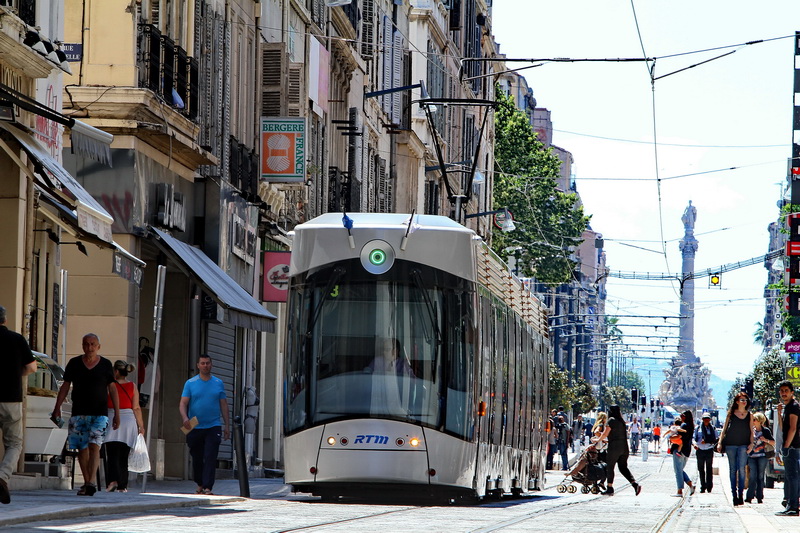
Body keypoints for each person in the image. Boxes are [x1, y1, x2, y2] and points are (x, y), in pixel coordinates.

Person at [53, 333, 120, 496]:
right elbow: (65, 386)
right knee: (81, 448)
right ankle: (87, 482)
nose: (89, 347)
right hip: (79, 412)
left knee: (94, 446)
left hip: (100, 413)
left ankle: (89, 483)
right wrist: (57, 407)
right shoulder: (74, 363)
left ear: (98, 347)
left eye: (92, 344)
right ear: (82, 346)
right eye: (86, 344)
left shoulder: (105, 364)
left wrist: (117, 413)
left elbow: (112, 389)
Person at [0, 305, 38, 504]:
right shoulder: (16, 339)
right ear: (5, 320)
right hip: (11, 398)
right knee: (14, 443)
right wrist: (17, 373)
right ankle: (3, 476)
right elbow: (32, 367)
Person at [179, 354, 230, 495]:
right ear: (198, 365)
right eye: (202, 363)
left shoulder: (218, 383)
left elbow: (223, 404)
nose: (205, 365)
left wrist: (227, 425)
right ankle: (200, 483)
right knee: (197, 457)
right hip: (195, 426)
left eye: (207, 363)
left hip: (213, 426)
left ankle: (208, 487)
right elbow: (183, 403)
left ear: (211, 365)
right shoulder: (190, 383)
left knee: (210, 455)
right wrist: (184, 417)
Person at [104, 360, 145, 493]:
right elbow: (136, 407)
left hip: (113, 418)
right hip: (129, 421)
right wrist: (141, 426)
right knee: (123, 455)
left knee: (112, 452)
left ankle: (112, 481)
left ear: (115, 371)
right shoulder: (133, 386)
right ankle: (123, 485)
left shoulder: (110, 385)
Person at [717, 391, 754, 506]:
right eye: (742, 400)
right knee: (733, 470)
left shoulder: (750, 415)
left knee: (742, 469)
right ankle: (734, 495)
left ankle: (740, 495)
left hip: (744, 444)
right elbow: (724, 429)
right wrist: (719, 443)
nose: (744, 402)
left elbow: (751, 431)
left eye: (745, 400)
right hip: (730, 445)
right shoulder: (731, 413)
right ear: (737, 402)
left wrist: (751, 444)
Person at [595, 405, 642, 496]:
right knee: (623, 468)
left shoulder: (611, 420)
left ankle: (610, 487)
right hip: (624, 448)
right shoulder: (622, 421)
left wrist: (598, 440)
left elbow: (605, 433)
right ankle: (634, 484)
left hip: (614, 448)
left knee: (610, 467)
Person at [776, 380, 800, 516]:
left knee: (792, 476)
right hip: (790, 446)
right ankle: (791, 504)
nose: (784, 393)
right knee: (790, 476)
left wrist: (786, 446)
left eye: (786, 391)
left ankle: (793, 505)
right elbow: (782, 427)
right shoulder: (788, 407)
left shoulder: (793, 407)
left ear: (792, 392)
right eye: (782, 391)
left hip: (792, 447)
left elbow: (793, 428)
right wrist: (779, 413)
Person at [745, 412, 775, 504]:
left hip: (762, 456)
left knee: (760, 476)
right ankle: (749, 496)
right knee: (753, 475)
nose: (753, 421)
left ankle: (759, 497)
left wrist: (765, 440)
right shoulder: (750, 430)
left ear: (760, 421)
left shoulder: (765, 431)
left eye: (754, 419)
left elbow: (773, 442)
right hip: (752, 456)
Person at [671, 410, 696, 497]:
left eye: (682, 415)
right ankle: (690, 485)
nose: (681, 417)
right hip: (686, 451)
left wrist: (671, 438)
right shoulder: (691, 426)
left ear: (686, 417)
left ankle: (679, 491)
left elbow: (679, 436)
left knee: (678, 471)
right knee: (680, 470)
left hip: (679, 450)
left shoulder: (684, 425)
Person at [693, 412, 718, 493]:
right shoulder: (698, 428)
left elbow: (715, 439)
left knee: (709, 468)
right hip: (700, 450)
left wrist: (707, 441)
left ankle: (709, 486)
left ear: (710, 420)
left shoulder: (713, 428)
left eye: (707, 419)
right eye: (704, 419)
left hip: (709, 450)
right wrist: (694, 444)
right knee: (701, 469)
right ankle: (702, 486)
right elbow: (694, 438)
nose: (706, 420)